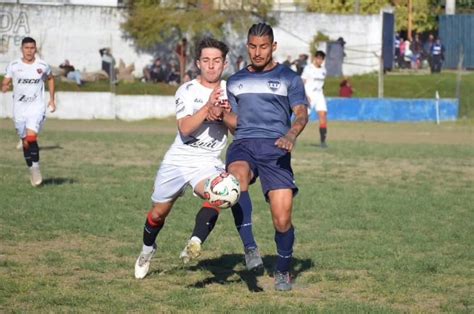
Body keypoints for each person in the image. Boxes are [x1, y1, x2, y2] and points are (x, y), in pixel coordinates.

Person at [134, 37, 232, 279]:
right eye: (206, 60)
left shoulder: (232, 91)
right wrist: (208, 108)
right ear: (198, 63)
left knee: (222, 193)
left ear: (225, 63)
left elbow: (239, 129)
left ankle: (195, 242)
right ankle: (147, 250)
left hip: (208, 161)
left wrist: (225, 114)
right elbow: (185, 128)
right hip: (178, 159)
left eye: (216, 61)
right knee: (158, 213)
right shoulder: (187, 90)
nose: (211, 66)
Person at [222, 23, 309, 291]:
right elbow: (234, 122)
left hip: (277, 148)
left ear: (273, 47)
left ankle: (282, 270)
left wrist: (292, 135)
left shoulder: (289, 78)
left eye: (263, 47)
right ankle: (250, 247)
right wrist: (221, 114)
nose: (257, 52)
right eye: (252, 46)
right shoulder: (234, 81)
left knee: (282, 219)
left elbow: (301, 113)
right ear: (247, 46)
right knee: (236, 178)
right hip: (244, 144)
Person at [1, 37, 56, 187]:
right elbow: (5, 82)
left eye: (32, 48)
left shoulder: (42, 65)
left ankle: (36, 167)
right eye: (26, 48)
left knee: (31, 138)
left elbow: (50, 79)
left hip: (36, 108)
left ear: (35, 49)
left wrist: (51, 99)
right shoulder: (13, 66)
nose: (29, 51)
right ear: (22, 49)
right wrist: (4, 86)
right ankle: (31, 168)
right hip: (19, 109)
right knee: (25, 142)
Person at [301, 50, 328, 148]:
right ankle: (292, 136)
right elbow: (302, 82)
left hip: (319, 95)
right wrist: (304, 95)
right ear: (315, 58)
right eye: (319, 58)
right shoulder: (308, 69)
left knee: (323, 116)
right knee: (302, 118)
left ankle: (323, 141)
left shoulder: (323, 70)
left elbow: (322, 85)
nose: (320, 61)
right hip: (309, 94)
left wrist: (323, 95)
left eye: (322, 59)